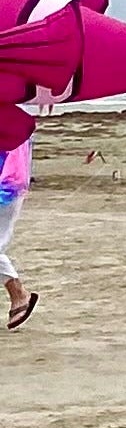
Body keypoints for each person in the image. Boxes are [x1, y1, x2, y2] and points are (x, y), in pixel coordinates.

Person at [0, 140, 35, 330]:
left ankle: (19, 293)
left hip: (6, 189)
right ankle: (18, 293)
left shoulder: (11, 123)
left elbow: (14, 169)